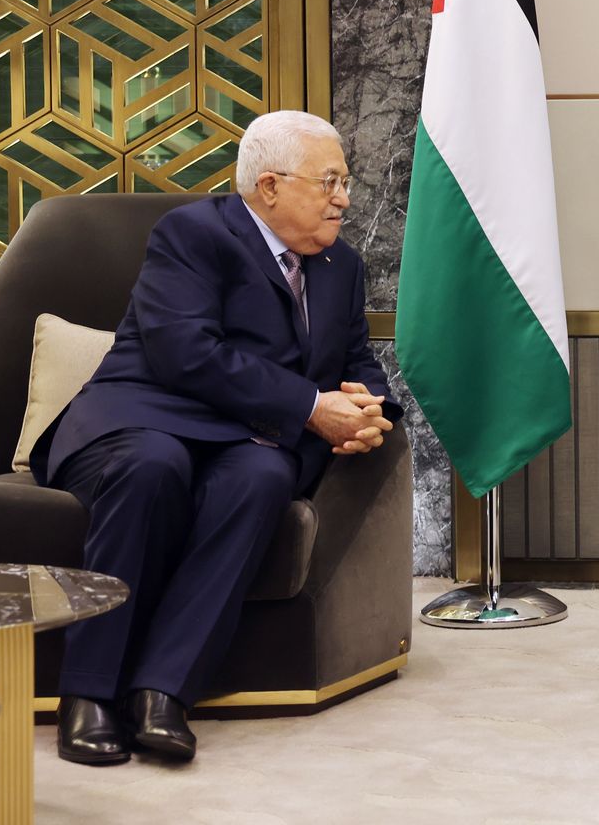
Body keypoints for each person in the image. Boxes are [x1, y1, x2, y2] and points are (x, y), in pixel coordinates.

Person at [31, 111, 401, 766]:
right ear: (269, 187)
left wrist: (374, 411)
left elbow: (353, 360)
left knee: (261, 479)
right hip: (142, 415)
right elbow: (185, 354)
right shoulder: (193, 233)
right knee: (152, 467)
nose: (345, 198)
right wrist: (312, 407)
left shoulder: (340, 265)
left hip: (247, 438)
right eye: (330, 182)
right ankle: (86, 695)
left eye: (345, 183)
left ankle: (162, 691)